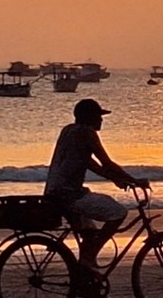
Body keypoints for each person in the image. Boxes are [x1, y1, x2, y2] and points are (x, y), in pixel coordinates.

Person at [44, 99, 145, 282]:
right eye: (99, 116)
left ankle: (84, 275)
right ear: (90, 118)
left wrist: (116, 178)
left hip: (56, 193)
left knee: (89, 233)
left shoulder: (68, 131)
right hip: (69, 195)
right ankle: (87, 261)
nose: (101, 120)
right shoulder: (87, 133)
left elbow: (90, 163)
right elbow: (106, 162)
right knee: (118, 213)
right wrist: (134, 180)